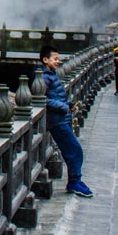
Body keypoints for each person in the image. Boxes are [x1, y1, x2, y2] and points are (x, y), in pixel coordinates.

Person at [40, 45, 93, 198]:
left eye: (58, 58)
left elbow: (55, 97)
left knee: (73, 151)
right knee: (75, 151)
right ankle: (74, 182)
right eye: (55, 59)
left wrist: (68, 105)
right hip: (57, 121)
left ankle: (76, 180)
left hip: (61, 118)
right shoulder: (44, 77)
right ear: (45, 60)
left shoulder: (51, 75)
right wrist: (63, 107)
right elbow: (43, 99)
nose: (58, 61)